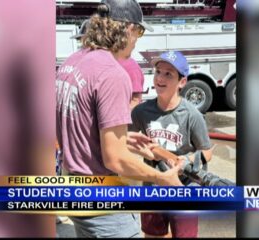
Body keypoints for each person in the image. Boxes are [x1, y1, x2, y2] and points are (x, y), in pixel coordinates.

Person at [56, 0, 183, 238]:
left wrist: (121, 138)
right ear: (128, 29)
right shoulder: (112, 74)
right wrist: (161, 177)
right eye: (140, 32)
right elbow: (115, 160)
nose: (137, 41)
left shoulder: (71, 63)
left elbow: (74, 128)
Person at [129, 51, 214, 238]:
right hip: (152, 186)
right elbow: (126, 139)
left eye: (169, 74)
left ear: (182, 82)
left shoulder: (192, 115)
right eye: (158, 71)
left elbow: (207, 151)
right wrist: (141, 149)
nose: (160, 77)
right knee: (153, 235)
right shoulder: (141, 112)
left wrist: (183, 161)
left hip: (184, 187)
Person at [72, 20, 145, 110]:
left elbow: (135, 100)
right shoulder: (88, 64)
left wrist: (117, 119)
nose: (85, 46)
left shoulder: (130, 66)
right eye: (82, 42)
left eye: (87, 42)